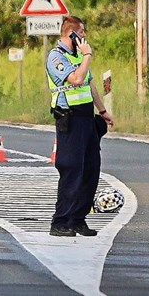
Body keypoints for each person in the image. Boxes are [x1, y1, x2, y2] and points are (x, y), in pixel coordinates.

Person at [45, 16, 114, 237]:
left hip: (87, 117)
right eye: (82, 33)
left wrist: (103, 111)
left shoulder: (77, 56)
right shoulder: (56, 57)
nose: (84, 37)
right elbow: (76, 79)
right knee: (72, 168)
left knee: (91, 169)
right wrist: (87, 55)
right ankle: (60, 221)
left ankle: (78, 219)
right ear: (71, 34)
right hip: (70, 118)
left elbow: (89, 83)